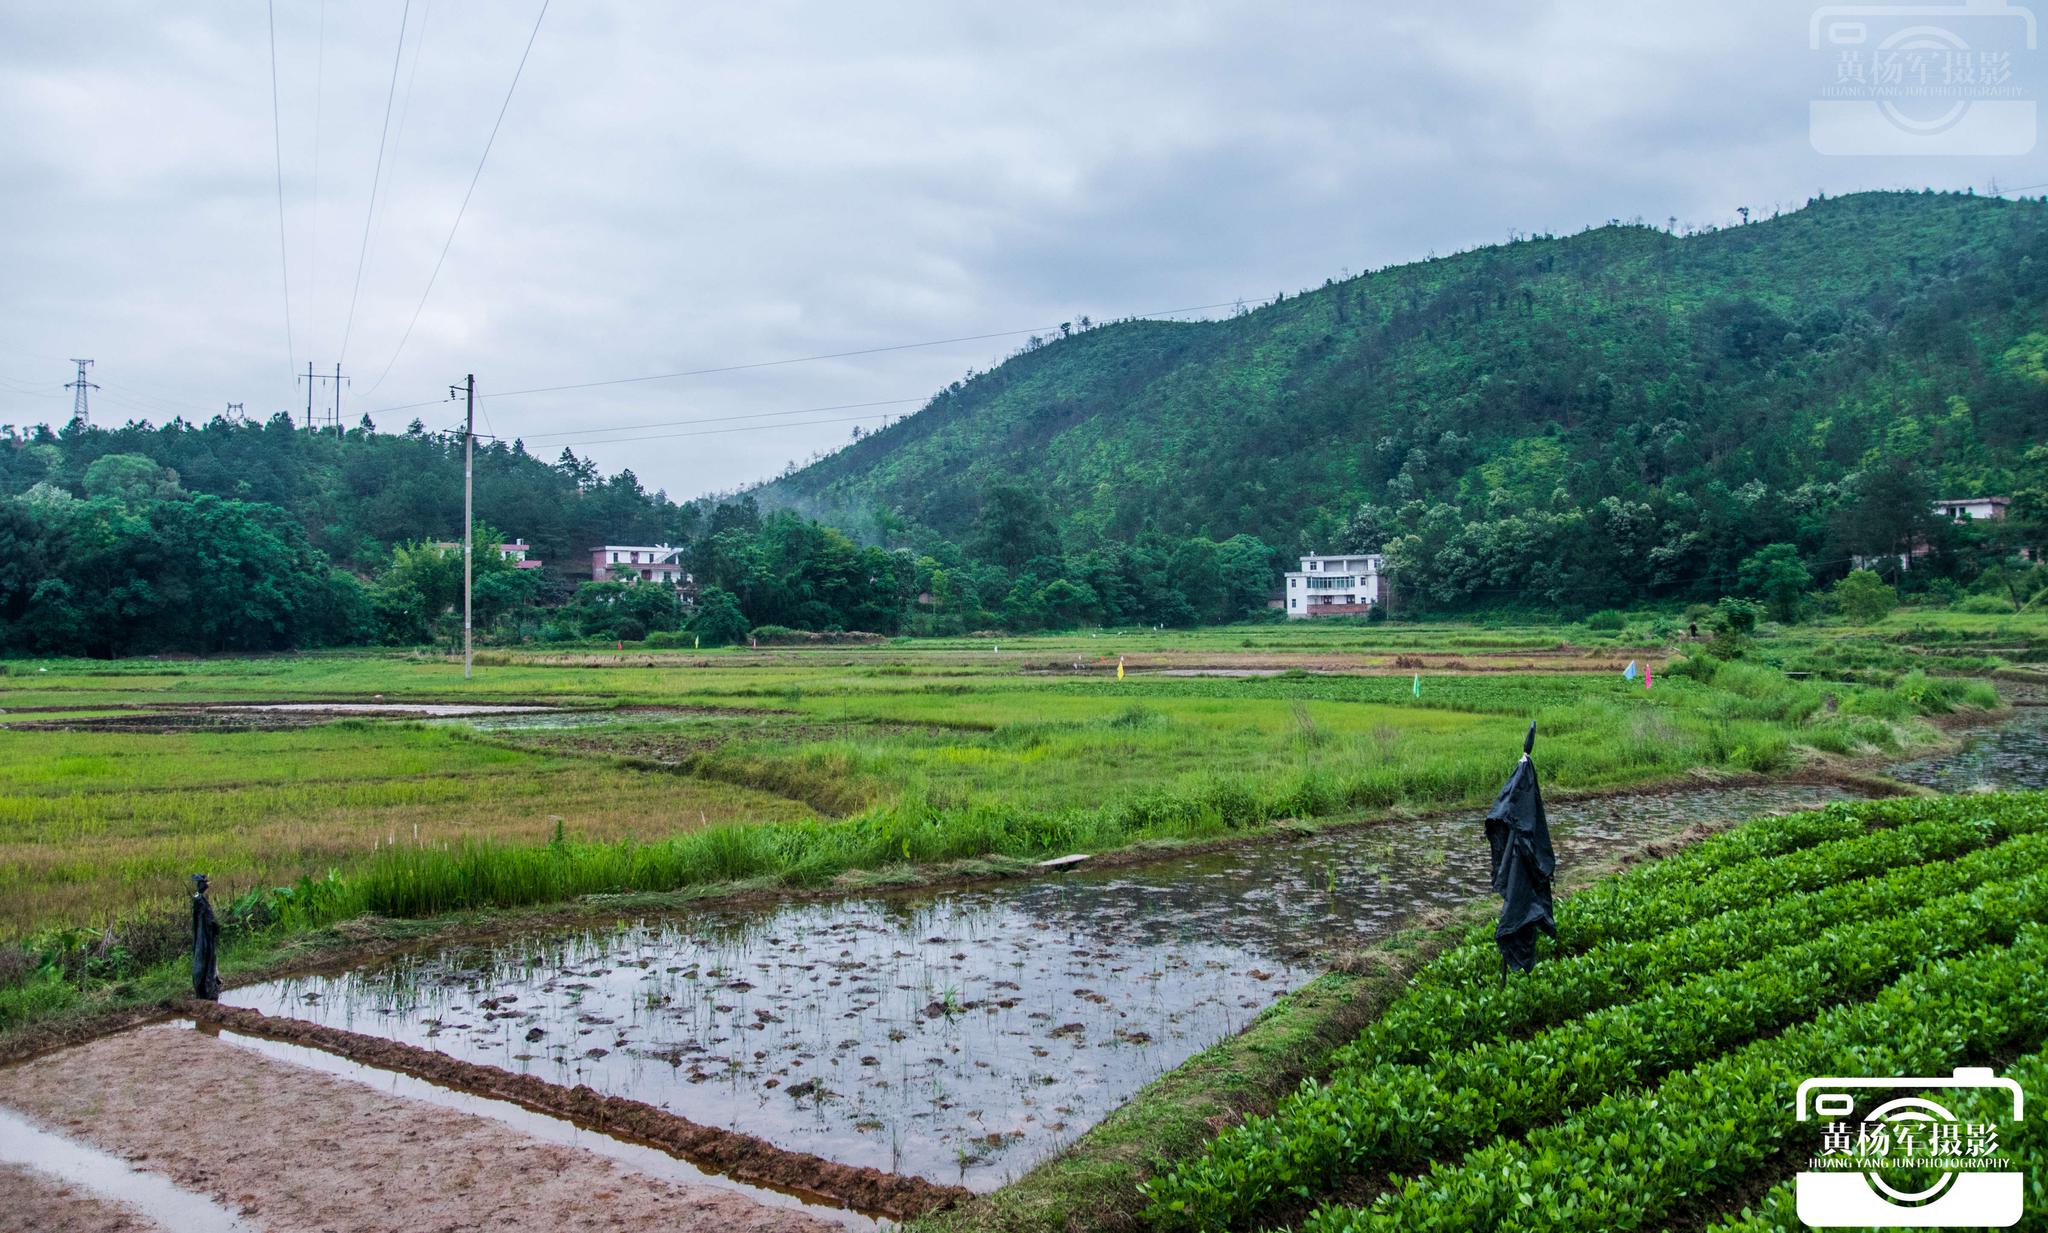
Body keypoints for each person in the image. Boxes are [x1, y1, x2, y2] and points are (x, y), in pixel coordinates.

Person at [190, 873, 221, 1000]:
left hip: (203, 937)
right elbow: (207, 920)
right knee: (205, 961)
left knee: (205, 960)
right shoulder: (200, 901)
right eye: (206, 883)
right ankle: (206, 991)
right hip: (204, 938)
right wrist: (214, 926)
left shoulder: (198, 899)